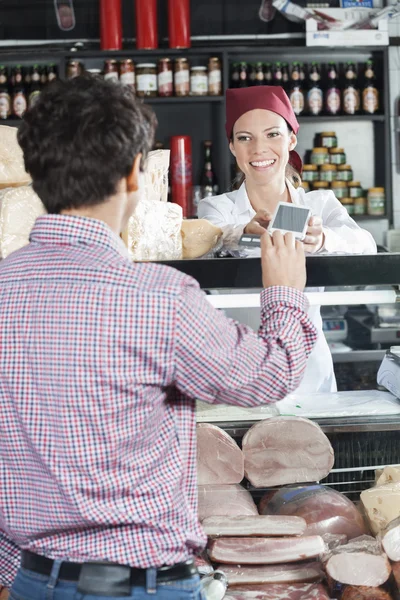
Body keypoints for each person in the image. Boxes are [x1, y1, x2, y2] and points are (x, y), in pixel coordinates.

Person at [0, 76, 317, 600]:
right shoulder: (159, 296)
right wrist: (283, 292)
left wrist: (20, 573)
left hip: (32, 581)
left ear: (35, 174)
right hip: (146, 587)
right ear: (133, 174)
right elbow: (272, 374)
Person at [198, 85, 377, 394]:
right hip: (241, 369)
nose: (258, 149)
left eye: (272, 134)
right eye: (244, 138)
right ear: (231, 147)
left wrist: (322, 239)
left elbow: (366, 245)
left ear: (292, 139)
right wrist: (239, 234)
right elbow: (207, 240)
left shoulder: (320, 204)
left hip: (309, 370)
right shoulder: (218, 207)